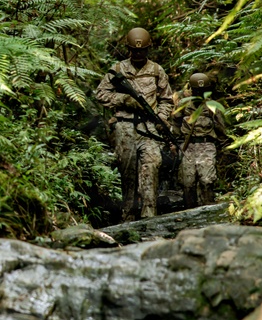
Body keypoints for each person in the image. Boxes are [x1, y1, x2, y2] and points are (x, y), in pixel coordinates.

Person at [95, 27, 174, 220]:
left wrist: (162, 118)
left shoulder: (156, 70)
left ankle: (149, 213)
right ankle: (128, 214)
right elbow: (100, 94)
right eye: (134, 50)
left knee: (152, 164)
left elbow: (167, 99)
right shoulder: (117, 70)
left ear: (148, 49)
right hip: (125, 127)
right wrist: (123, 99)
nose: (138, 54)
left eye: (142, 50)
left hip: (149, 128)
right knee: (127, 171)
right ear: (128, 49)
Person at [171, 72, 228, 209]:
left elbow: (220, 128)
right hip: (187, 146)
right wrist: (175, 142)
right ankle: (189, 213)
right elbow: (175, 122)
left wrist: (225, 147)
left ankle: (208, 208)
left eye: (202, 90)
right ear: (191, 89)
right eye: (196, 90)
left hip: (206, 145)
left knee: (207, 180)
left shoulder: (212, 106)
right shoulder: (184, 104)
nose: (199, 93)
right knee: (187, 182)